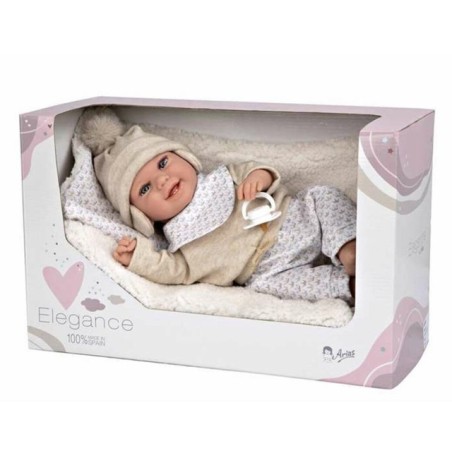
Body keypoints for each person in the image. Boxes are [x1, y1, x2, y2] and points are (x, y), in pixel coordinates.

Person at [78, 108, 357, 303]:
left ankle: (348, 247)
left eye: (163, 163)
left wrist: (257, 179)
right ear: (141, 217)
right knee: (268, 288)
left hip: (293, 220)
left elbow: (259, 170)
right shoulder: (181, 249)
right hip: (269, 268)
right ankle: (348, 285)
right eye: (145, 188)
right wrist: (138, 257)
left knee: (321, 196)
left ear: (185, 158)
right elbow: (169, 270)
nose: (162, 180)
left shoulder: (223, 177)